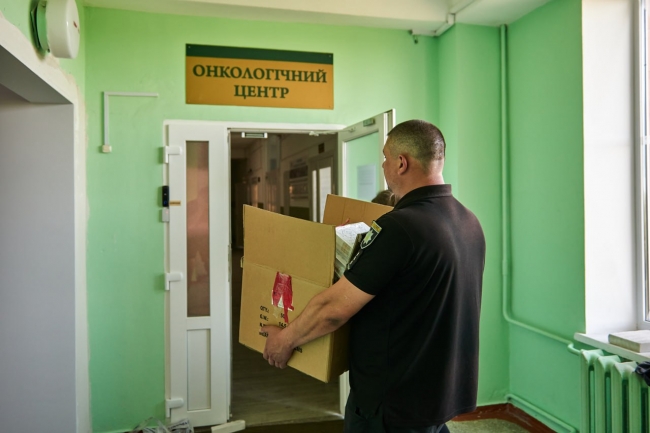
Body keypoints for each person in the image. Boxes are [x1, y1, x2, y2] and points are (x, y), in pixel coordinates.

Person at [262, 120, 486, 433]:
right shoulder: (468, 222)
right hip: (438, 395)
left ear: (401, 163)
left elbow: (333, 309)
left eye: (385, 157)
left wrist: (284, 341)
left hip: (391, 405)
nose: (383, 165)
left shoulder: (400, 228)